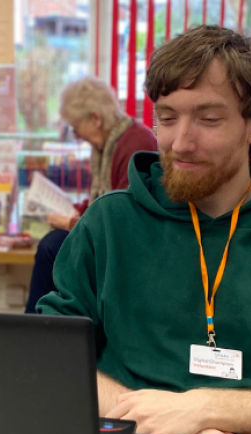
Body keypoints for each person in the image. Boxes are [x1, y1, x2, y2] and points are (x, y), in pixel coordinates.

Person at [37, 26, 251, 434]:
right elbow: (58, 357)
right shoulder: (107, 223)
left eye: (209, 119)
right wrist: (165, 422)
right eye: (167, 117)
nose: (180, 142)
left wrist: (202, 410)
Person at [24, 77, 157, 313]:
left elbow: (122, 217)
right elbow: (101, 202)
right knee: (54, 245)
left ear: (95, 119)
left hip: (127, 251)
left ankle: (33, 328)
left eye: (76, 128)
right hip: (111, 241)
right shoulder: (109, 144)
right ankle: (41, 326)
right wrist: (76, 208)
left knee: (51, 246)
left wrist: (70, 221)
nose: (78, 136)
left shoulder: (136, 144)